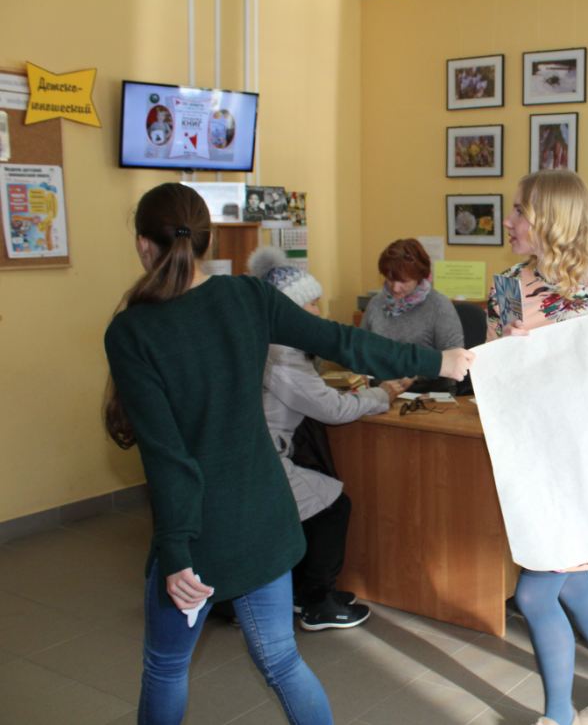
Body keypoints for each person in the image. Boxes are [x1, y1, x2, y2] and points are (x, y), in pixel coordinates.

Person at [103, 182, 472, 724]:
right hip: (266, 515)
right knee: (281, 660)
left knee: (165, 668)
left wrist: (176, 550)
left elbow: (168, 456)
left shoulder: (131, 331)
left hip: (203, 531)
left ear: (142, 245)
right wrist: (437, 361)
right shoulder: (247, 297)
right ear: (206, 240)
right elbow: (343, 341)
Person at [486, 170, 588, 725]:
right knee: (575, 586)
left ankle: (559, 716)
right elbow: (493, 384)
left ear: (552, 218)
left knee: (536, 595)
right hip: (537, 461)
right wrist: (505, 359)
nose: (508, 221)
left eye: (519, 211)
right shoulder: (506, 286)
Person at [247, 245, 413, 631]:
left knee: (315, 506)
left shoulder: (267, 343)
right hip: (265, 462)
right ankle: (317, 602)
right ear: (289, 311)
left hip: (261, 454)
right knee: (332, 506)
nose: (319, 313)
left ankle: (302, 592)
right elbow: (333, 409)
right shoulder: (282, 356)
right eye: (311, 305)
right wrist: (383, 395)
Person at [360, 238, 464, 393]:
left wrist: (417, 374)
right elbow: (360, 347)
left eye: (403, 281)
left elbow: (455, 358)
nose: (395, 288)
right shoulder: (376, 304)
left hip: (427, 393)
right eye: (390, 279)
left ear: (419, 276)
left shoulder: (439, 306)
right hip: (381, 391)